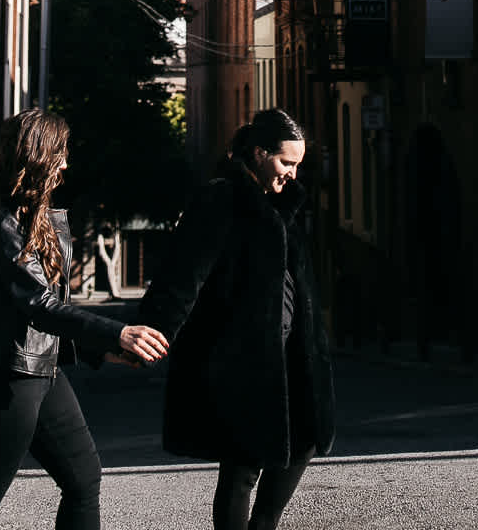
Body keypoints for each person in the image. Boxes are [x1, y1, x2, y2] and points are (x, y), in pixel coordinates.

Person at [0, 106, 168, 530]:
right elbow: (39, 304)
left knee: (83, 479)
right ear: (37, 156)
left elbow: (50, 312)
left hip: (44, 374)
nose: (65, 162)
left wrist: (99, 354)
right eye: (58, 153)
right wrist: (118, 334)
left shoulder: (37, 218)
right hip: (6, 380)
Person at [138, 106, 334, 530]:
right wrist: (150, 334)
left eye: (298, 165)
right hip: (242, 356)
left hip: (291, 354)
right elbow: (183, 276)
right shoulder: (221, 199)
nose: (292, 175)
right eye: (286, 163)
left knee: (304, 441)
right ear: (259, 153)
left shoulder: (283, 206)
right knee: (243, 466)